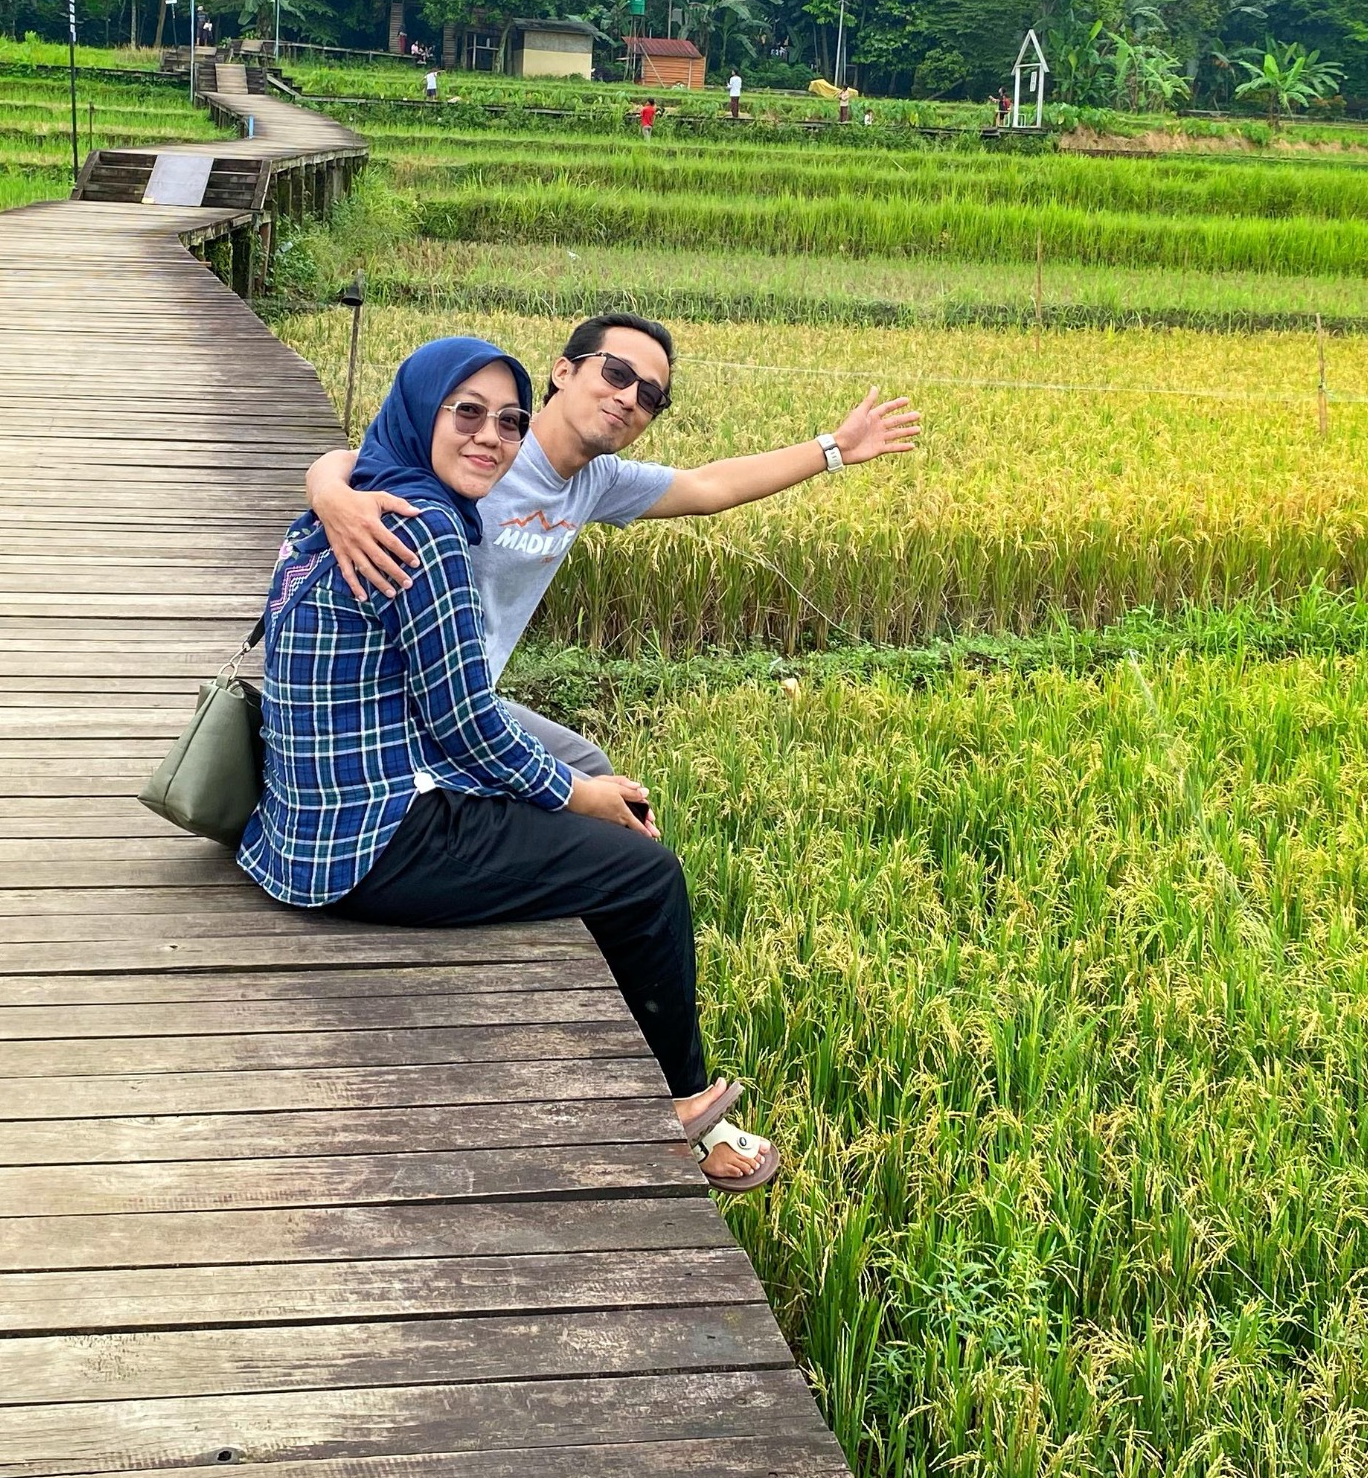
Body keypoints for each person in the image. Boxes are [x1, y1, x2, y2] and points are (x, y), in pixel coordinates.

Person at [244, 337, 779, 1189]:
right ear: (423, 412)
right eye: (467, 414)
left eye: (507, 422)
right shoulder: (428, 538)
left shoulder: (355, 503)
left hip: (300, 827)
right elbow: (465, 726)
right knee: (645, 874)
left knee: (594, 817)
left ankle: (631, 1036)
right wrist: (579, 797)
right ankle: (680, 1098)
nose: (491, 437)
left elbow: (437, 707)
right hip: (376, 841)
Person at [308, 313, 920, 778]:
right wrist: (329, 490)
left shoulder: (597, 481)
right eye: (617, 373)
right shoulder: (488, 447)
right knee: (582, 792)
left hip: (475, 697)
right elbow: (370, 461)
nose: (630, 397)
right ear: (564, 370)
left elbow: (710, 485)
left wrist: (834, 448)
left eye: (650, 395)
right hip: (403, 701)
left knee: (593, 771)